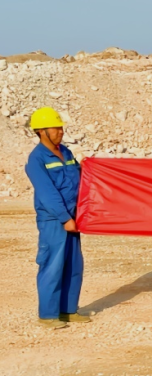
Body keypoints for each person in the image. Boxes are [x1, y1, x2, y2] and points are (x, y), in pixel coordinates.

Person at [24, 107, 89, 329]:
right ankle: (48, 315)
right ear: (41, 131)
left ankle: (68, 310)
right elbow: (47, 193)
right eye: (55, 128)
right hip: (54, 221)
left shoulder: (66, 152)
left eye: (61, 128)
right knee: (52, 265)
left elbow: (79, 177)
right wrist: (64, 218)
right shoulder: (36, 159)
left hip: (73, 217)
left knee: (73, 265)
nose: (60, 132)